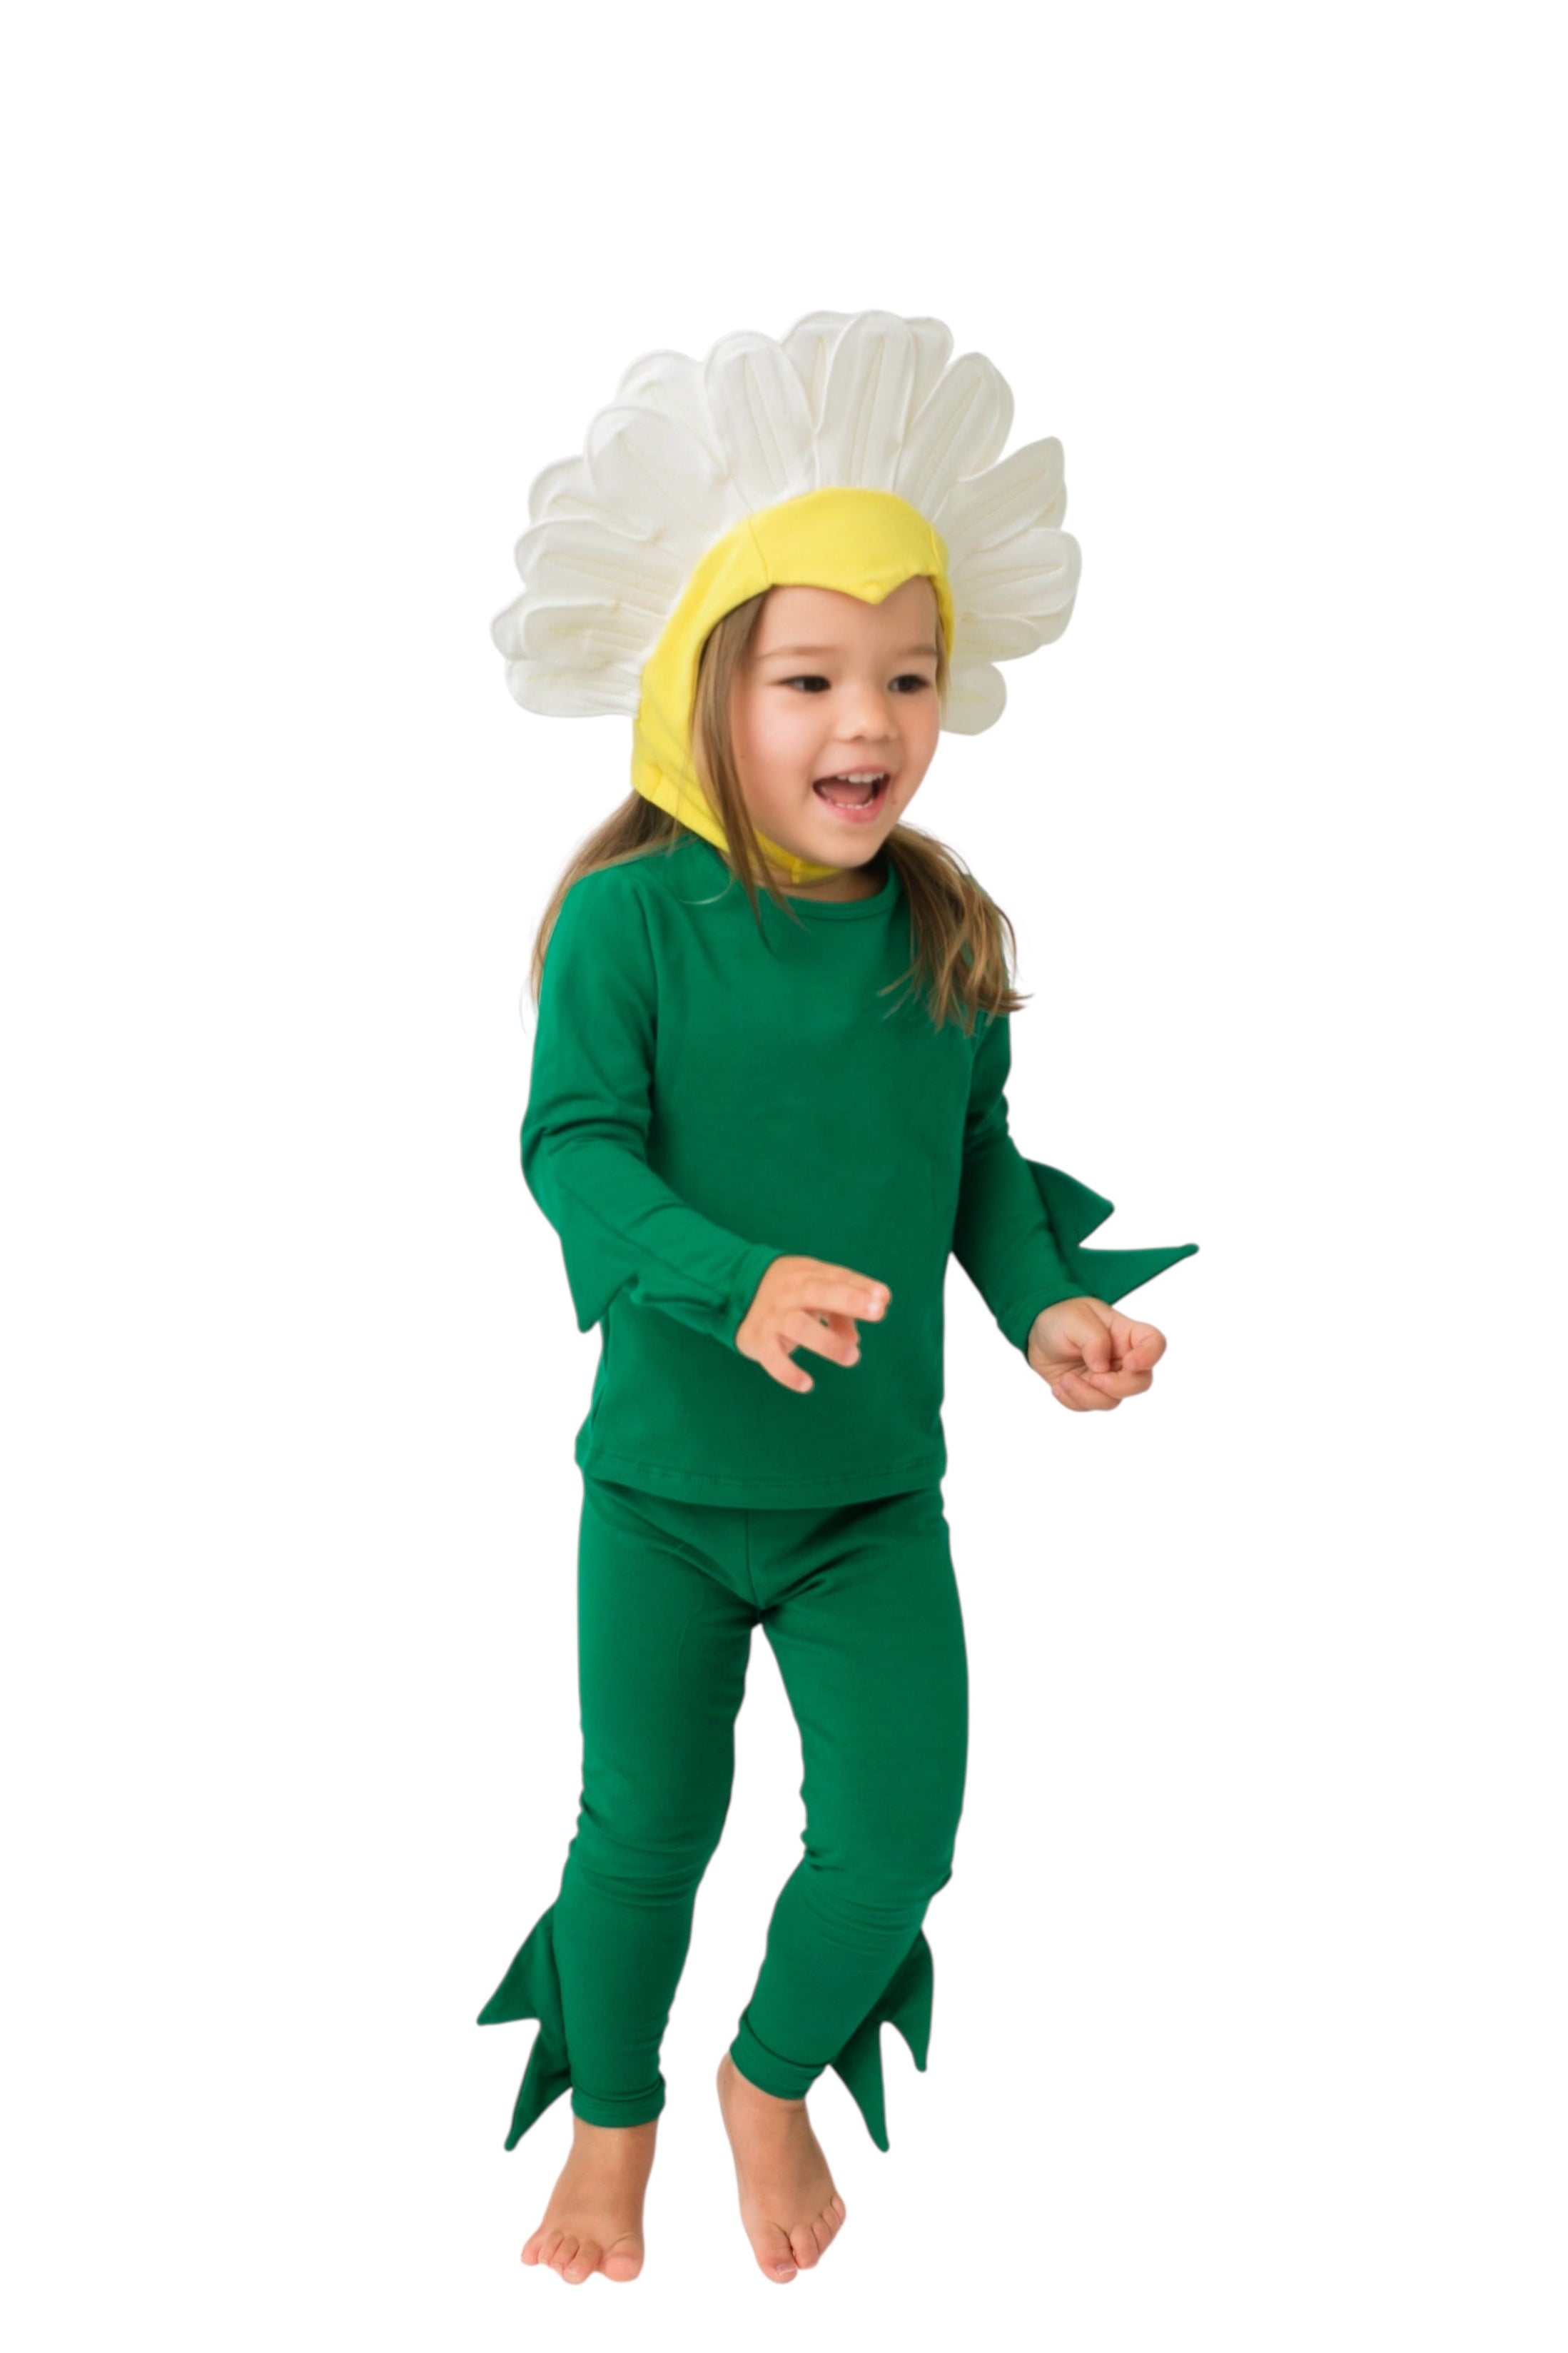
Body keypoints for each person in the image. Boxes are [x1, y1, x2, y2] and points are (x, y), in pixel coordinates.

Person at [477, 309, 1198, 2287]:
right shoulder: (629, 925)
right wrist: (729, 1281)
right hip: (663, 1501)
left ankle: (769, 2071)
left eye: (906, 675)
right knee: (645, 1835)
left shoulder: (947, 924)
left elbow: (971, 1169)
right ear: (704, 698)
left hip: (875, 1505)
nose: (863, 720)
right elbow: (573, 1149)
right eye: (808, 677)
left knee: (896, 1836)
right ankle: (613, 2113)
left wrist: (1049, 1308)